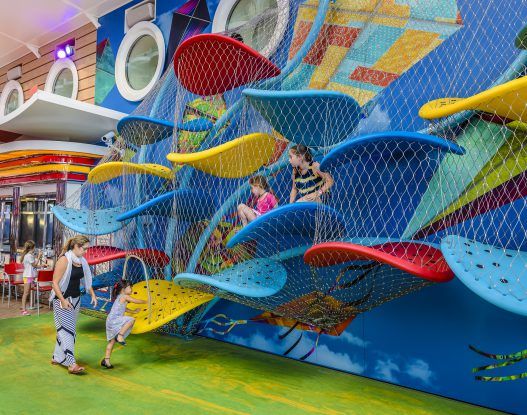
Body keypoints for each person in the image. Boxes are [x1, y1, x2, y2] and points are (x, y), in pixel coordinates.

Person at [50, 235, 97, 374]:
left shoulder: (82, 261)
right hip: (62, 300)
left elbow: (87, 281)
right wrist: (63, 300)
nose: (86, 252)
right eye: (84, 249)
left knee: (65, 329)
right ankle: (71, 364)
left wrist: (92, 294)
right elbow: (54, 283)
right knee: (69, 331)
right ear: (75, 246)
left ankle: (57, 356)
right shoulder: (64, 260)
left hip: (76, 299)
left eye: (87, 249)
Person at [102, 279, 146, 369]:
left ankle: (106, 360)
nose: (131, 289)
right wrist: (146, 301)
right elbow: (135, 301)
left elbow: (124, 309)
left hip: (110, 320)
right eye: (130, 287)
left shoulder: (119, 297)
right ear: (123, 289)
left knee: (111, 342)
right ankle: (120, 335)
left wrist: (133, 311)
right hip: (115, 319)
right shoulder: (124, 296)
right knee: (131, 320)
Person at [20, 240, 42, 316]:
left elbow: (34, 266)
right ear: (32, 248)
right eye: (34, 247)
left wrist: (42, 266)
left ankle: (24, 307)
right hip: (27, 276)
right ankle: (23, 309)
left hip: (30, 276)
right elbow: (34, 265)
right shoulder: (28, 256)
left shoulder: (29, 255)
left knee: (29, 291)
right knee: (26, 293)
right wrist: (39, 257)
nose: (35, 248)